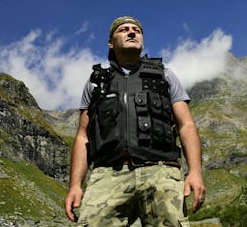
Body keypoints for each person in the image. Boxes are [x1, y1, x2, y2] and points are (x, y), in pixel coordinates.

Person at [65, 16, 206, 226]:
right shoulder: (96, 83)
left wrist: (195, 172)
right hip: (108, 175)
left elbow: (186, 125)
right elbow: (83, 136)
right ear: (111, 43)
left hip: (161, 171)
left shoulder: (164, 75)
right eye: (124, 30)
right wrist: (75, 184)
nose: (132, 32)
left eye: (136, 30)